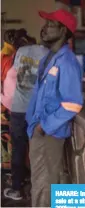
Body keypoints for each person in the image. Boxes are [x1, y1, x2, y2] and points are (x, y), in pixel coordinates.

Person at [25, 9, 83, 207]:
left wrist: (44, 126)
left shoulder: (67, 62)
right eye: (46, 24)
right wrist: (32, 122)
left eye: (51, 25)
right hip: (37, 128)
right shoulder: (47, 59)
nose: (44, 29)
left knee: (44, 184)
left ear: (64, 31)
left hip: (49, 133)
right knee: (40, 181)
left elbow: (73, 103)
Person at [3, 35, 48, 200]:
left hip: (19, 108)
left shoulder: (20, 52)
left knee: (18, 148)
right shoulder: (47, 52)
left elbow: (16, 75)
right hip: (37, 109)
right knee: (38, 149)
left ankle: (17, 188)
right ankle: (38, 190)